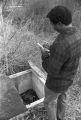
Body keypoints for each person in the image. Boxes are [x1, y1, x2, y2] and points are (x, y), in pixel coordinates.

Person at [40, 6, 81, 120]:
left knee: (49, 103)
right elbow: (67, 54)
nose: (52, 27)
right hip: (69, 78)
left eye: (52, 24)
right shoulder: (77, 34)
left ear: (59, 23)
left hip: (55, 83)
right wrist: (51, 48)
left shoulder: (62, 43)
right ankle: (60, 117)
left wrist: (44, 56)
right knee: (62, 97)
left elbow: (51, 69)